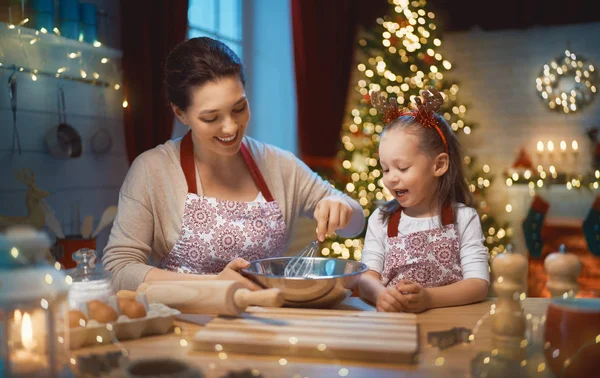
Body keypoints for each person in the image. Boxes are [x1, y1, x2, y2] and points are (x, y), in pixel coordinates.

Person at [102, 37, 365, 292]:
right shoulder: (152, 170)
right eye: (211, 117)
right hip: (188, 326)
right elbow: (119, 269)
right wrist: (215, 285)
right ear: (180, 113)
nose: (230, 127)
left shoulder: (278, 164)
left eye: (239, 108)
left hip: (269, 319)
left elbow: (356, 224)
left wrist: (342, 208)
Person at [358, 88, 490, 313]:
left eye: (402, 168)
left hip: (450, 328)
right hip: (395, 327)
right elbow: (366, 277)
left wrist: (429, 298)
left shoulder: (464, 219)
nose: (391, 178)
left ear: (439, 165)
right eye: (385, 169)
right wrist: (381, 295)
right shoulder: (381, 220)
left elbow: (478, 284)